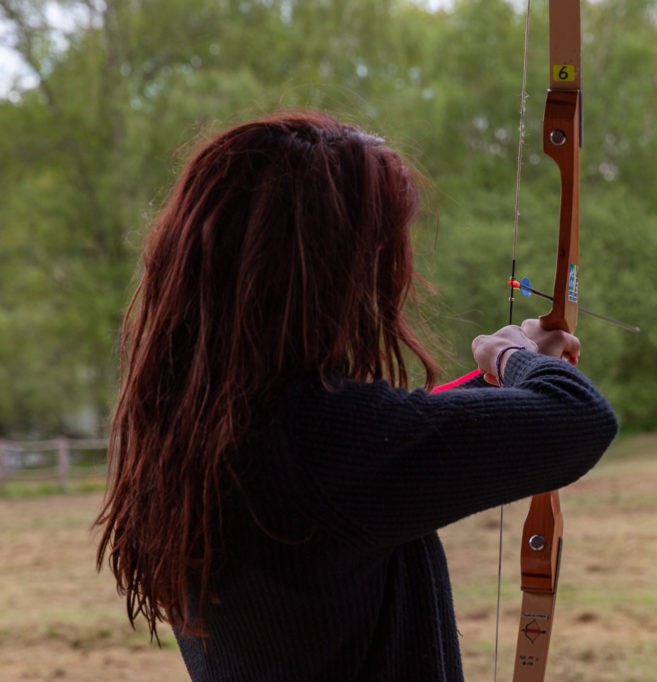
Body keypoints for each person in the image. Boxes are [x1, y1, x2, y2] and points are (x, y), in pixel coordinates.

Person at [94, 110, 617, 681]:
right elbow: (578, 418)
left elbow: (399, 433)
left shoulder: (193, 429)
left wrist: (496, 372)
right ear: (318, 273)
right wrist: (512, 356)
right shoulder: (324, 441)